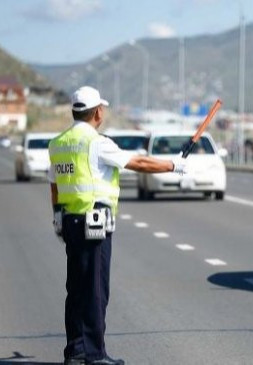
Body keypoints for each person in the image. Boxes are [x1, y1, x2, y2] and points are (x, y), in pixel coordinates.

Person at [48, 86, 186, 365]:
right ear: (98, 111)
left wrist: (57, 216)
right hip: (93, 223)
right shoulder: (97, 143)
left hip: (69, 222)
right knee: (96, 289)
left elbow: (54, 185)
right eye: (103, 108)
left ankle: (75, 351)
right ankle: (95, 355)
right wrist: (173, 165)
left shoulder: (59, 143)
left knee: (75, 288)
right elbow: (138, 162)